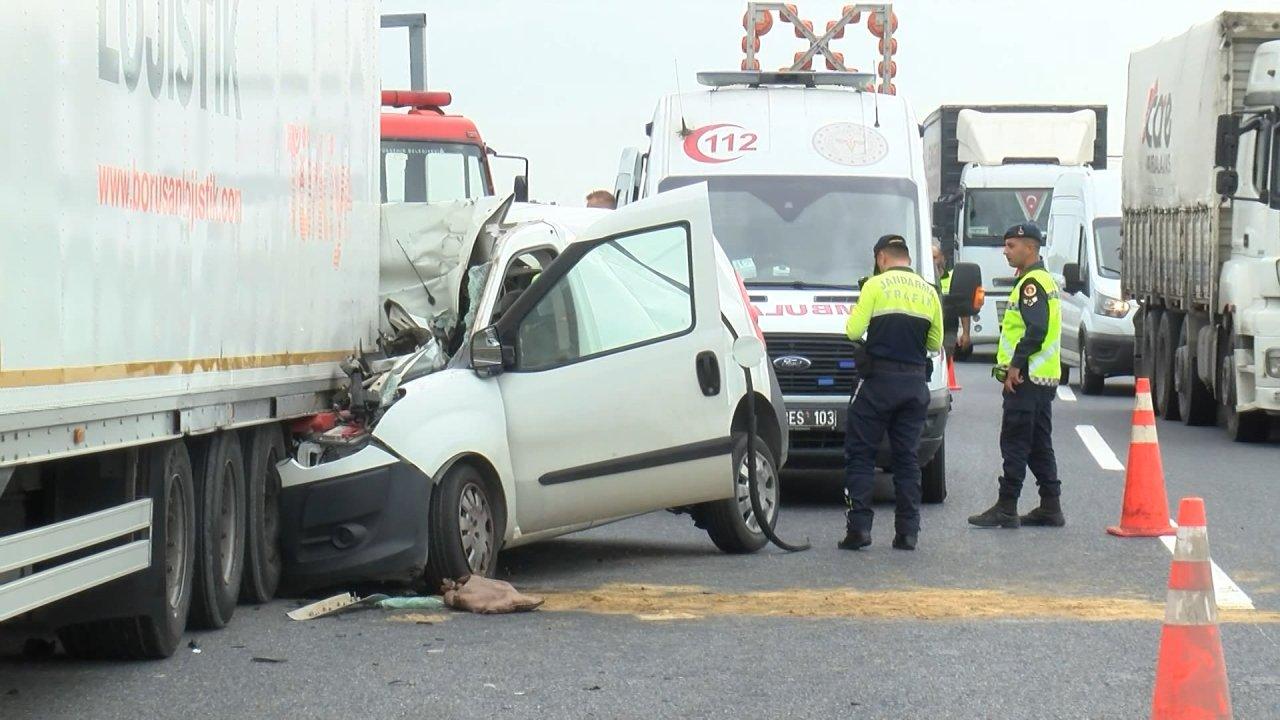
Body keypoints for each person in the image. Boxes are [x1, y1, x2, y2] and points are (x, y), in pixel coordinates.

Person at [840, 235, 943, 552]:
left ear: (881, 257)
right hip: (914, 384)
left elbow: (853, 331)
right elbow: (935, 343)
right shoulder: (929, 291)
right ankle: (907, 533)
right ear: (907, 258)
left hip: (877, 383)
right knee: (907, 459)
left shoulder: (874, 285)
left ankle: (859, 529)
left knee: (861, 454)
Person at [968, 222, 1065, 529]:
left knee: (1015, 442)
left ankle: (1007, 506)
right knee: (1038, 443)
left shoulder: (1031, 284)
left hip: (1026, 378)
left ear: (1030, 247)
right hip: (1042, 378)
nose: (1005, 251)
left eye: (1011, 246)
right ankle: (1050, 506)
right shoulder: (1043, 279)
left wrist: (1015, 365)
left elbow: (1036, 329)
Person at [933, 241, 972, 357]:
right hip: (927, 327)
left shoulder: (953, 278)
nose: (932, 261)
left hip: (948, 329)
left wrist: (965, 333)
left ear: (942, 258)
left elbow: (963, 308)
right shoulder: (920, 278)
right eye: (929, 258)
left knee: (945, 355)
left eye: (935, 257)